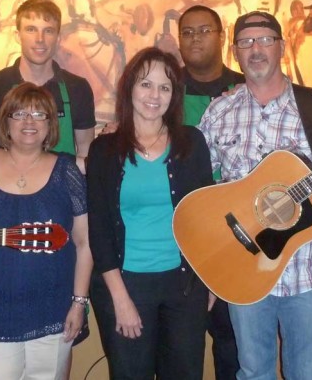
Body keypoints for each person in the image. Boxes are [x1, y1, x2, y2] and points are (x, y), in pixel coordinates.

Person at [198, 11, 312, 379]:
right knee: (252, 371)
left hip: (309, 269)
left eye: (265, 40)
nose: (256, 49)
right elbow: (194, 184)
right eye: (246, 42)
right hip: (242, 265)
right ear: (235, 52)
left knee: (305, 374)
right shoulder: (219, 112)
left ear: (282, 46)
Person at [0, 83, 91, 379]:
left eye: (39, 114)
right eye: (19, 113)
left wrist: (79, 304)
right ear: (5, 122)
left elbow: (83, 242)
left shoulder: (67, 172)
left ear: (51, 124)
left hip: (53, 311)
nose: (29, 121)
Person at [87, 47, 213, 379]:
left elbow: (206, 217)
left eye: (165, 87)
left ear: (174, 95)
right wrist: (120, 299)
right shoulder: (103, 150)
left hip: (185, 285)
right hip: (126, 284)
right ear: (129, 88)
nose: (154, 95)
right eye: (146, 84)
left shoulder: (193, 143)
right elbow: (98, 230)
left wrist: (210, 282)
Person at [178, 4, 243, 380]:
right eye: (187, 32)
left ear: (222, 36)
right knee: (180, 346)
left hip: (235, 238)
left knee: (233, 344)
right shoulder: (166, 93)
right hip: (179, 237)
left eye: (205, 30)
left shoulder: (245, 87)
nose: (196, 38)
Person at [0, 0, 96, 171]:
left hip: (62, 194)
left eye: (48, 31)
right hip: (7, 193)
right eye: (31, 29)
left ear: (58, 38)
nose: (40, 39)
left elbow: (86, 153)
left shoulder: (78, 88)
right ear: (17, 35)